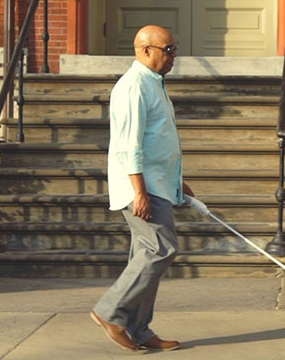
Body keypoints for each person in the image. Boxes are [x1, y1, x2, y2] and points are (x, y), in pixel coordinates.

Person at [90, 25, 194, 352]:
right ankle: (110, 312)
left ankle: (140, 330)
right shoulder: (133, 86)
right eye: (169, 49)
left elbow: (158, 141)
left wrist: (176, 180)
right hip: (141, 187)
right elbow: (129, 145)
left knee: (146, 254)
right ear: (146, 50)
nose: (174, 56)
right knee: (160, 249)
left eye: (175, 49)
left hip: (157, 184)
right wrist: (140, 192)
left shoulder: (154, 84)